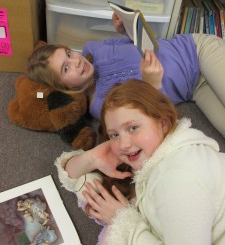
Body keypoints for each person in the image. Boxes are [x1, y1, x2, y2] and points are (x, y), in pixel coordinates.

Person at [55, 79, 225, 245]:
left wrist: (122, 220)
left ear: (163, 123)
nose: (123, 144)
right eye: (114, 134)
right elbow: (72, 174)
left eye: (133, 128)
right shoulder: (155, 149)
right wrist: (93, 156)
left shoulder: (178, 181)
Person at [27, 13, 225, 137]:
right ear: (64, 87)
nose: (76, 61)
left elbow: (137, 42)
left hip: (196, 51)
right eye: (66, 68)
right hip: (195, 88)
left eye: (69, 53)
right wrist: (151, 85)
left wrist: (126, 29)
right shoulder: (100, 105)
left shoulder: (92, 48)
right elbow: (151, 120)